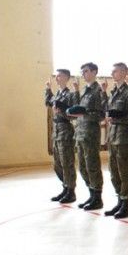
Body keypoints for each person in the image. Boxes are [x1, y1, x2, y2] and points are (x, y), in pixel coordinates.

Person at [103, 63, 128, 219]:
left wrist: (119, 116)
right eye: (112, 71)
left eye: (115, 71)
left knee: (124, 171)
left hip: (124, 136)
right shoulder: (114, 92)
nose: (112, 74)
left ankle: (126, 204)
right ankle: (120, 200)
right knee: (113, 172)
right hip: (113, 136)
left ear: (124, 73)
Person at [67, 62, 104, 210]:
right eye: (82, 72)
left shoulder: (98, 91)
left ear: (94, 72)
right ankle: (91, 194)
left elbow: (101, 114)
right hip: (80, 133)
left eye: (86, 71)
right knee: (82, 167)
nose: (83, 74)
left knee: (92, 166)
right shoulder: (83, 90)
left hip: (91, 134)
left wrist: (84, 113)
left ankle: (97, 198)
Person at [44, 69, 78, 203]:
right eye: (56, 76)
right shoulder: (58, 93)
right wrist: (48, 89)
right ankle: (65, 187)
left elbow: (73, 115)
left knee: (67, 162)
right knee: (57, 164)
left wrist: (62, 111)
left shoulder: (69, 95)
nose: (57, 78)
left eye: (59, 76)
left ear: (66, 78)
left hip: (65, 130)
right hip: (57, 131)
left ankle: (71, 191)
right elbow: (48, 102)